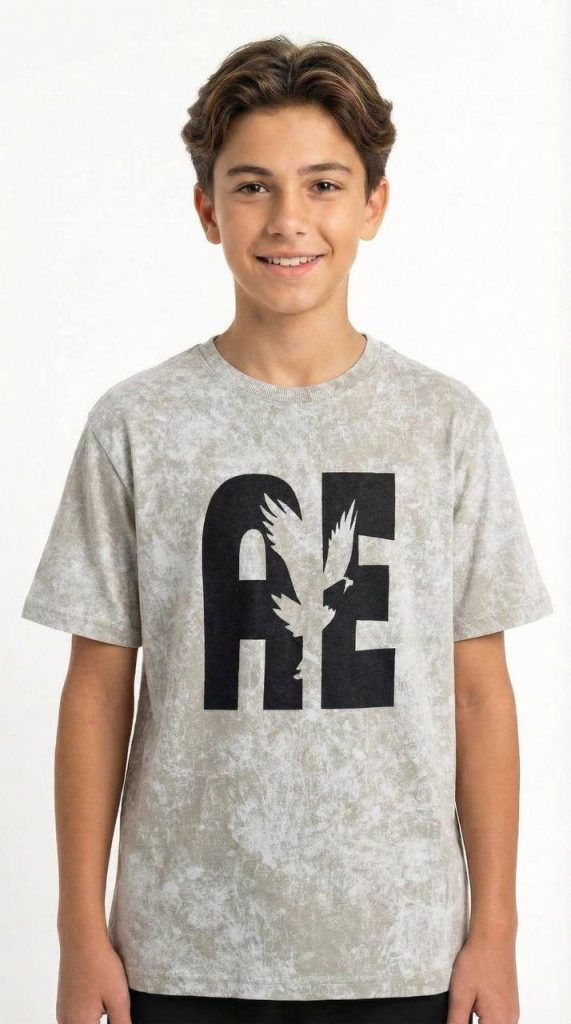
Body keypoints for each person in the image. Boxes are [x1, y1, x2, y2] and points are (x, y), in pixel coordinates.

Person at [20, 34, 553, 1024]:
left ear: (373, 205)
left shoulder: (444, 426)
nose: (288, 219)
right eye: (253, 186)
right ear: (206, 210)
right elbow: (96, 691)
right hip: (181, 951)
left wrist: (496, 928)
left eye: (323, 184)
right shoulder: (137, 425)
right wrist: (78, 929)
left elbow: (480, 693)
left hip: (400, 955)